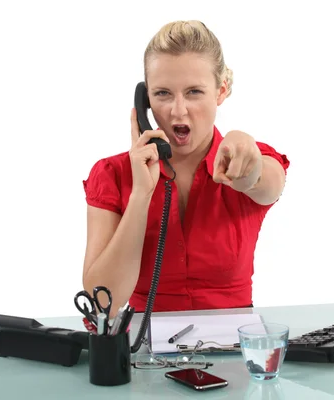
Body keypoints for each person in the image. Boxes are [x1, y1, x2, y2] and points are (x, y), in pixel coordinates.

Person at [81, 20, 290, 316]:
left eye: (194, 92)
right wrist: (141, 193)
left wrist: (247, 162)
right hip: (143, 353)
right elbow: (104, 302)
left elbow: (266, 184)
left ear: (220, 91)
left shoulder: (245, 157)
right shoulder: (113, 174)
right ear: (145, 100)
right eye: (163, 93)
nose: (178, 110)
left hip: (230, 352)